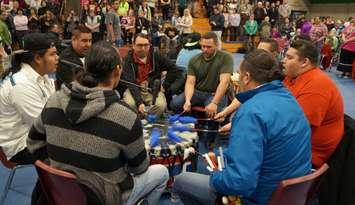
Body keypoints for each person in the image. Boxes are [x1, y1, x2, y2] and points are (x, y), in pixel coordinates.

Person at [26, 41, 169, 205]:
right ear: (117, 71)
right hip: (105, 198)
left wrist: (63, 168)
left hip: (59, 193)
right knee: (162, 173)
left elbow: (33, 144)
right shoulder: (126, 116)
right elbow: (139, 168)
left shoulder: (54, 99)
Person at [173, 49, 311, 205]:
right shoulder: (288, 97)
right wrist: (224, 156)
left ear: (246, 77)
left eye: (237, 74)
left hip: (259, 198)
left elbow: (239, 183)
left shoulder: (251, 112)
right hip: (291, 194)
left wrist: (216, 174)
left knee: (182, 181)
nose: (235, 79)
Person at [283, 39, 344, 168]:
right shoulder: (293, 76)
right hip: (296, 144)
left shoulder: (317, 85)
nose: (283, 60)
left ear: (305, 62)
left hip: (308, 155)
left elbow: (295, 129)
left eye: (289, 57)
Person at [0, 33, 58, 164]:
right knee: (78, 152)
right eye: (52, 54)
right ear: (38, 58)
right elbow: (45, 128)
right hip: (21, 147)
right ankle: (48, 184)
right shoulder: (22, 85)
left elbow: (53, 110)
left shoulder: (42, 76)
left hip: (34, 136)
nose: (57, 58)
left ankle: (46, 184)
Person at [170, 31, 233, 117]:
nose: (205, 49)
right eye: (203, 46)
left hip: (215, 93)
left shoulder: (226, 57)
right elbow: (190, 82)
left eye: (209, 47)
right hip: (197, 92)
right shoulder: (194, 60)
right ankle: (193, 120)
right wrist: (188, 100)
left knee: (212, 113)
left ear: (216, 45)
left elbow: (224, 82)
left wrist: (214, 102)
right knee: (175, 104)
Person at [120, 33, 183, 117]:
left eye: (146, 45)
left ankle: (147, 120)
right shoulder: (127, 60)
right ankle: (137, 123)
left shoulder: (156, 55)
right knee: (130, 104)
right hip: (134, 89)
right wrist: (139, 103)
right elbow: (131, 84)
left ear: (150, 45)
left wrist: (165, 85)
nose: (143, 48)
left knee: (160, 106)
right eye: (139, 45)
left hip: (152, 89)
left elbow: (174, 69)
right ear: (133, 45)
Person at [56, 25, 92, 89]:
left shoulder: (90, 54)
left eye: (90, 41)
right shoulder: (65, 60)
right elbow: (73, 88)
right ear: (73, 40)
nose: (88, 44)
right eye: (84, 41)